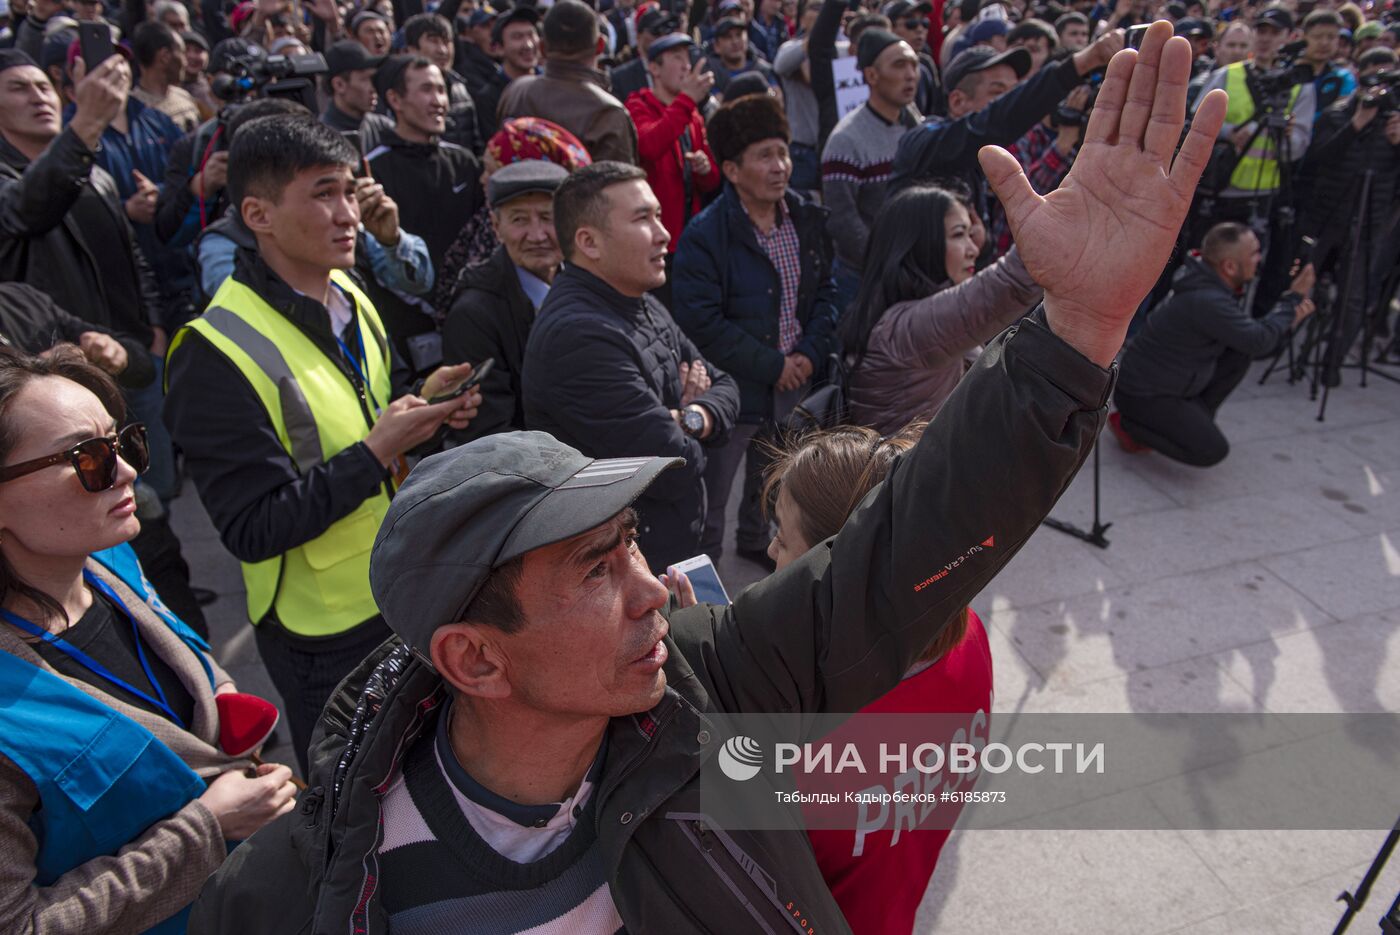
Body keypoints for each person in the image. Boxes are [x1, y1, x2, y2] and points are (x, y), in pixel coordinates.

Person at [188, 25, 1231, 933]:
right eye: (598, 569)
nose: (661, 589)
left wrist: (1078, 330)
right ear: (474, 656)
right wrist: (692, 409)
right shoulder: (300, 889)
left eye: (631, 543)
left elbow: (899, 545)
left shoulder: (701, 681)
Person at [164, 116, 484, 773]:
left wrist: (423, 407)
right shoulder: (213, 348)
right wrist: (375, 451)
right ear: (258, 213)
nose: (348, 214)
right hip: (323, 635)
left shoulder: (350, 293)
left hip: (399, 585)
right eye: (322, 193)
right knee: (349, 804)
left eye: (348, 190)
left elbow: (360, 418)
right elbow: (253, 527)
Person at [0, 347, 298, 935]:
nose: (128, 470)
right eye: (88, 458)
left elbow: (182, 669)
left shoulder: (109, 556)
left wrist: (221, 709)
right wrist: (206, 830)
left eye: (123, 442)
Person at [758, 421, 993, 935]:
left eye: (782, 538)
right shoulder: (968, 633)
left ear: (840, 575)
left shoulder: (803, 737)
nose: (771, 555)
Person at [522, 161, 741, 572]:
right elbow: (674, 466)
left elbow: (727, 385)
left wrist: (688, 415)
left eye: (658, 215)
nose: (663, 233)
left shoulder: (637, 298)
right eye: (643, 218)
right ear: (589, 241)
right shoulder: (579, 337)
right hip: (625, 569)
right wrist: (695, 423)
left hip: (669, 549)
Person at [671, 93, 839, 566]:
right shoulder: (705, 236)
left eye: (783, 152)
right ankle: (701, 584)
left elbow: (827, 291)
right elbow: (701, 321)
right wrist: (773, 365)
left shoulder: (805, 218)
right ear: (731, 169)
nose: (780, 165)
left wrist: (807, 352)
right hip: (735, 389)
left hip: (792, 383)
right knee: (712, 496)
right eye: (764, 156)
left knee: (772, 482)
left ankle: (753, 541)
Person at [1111, 222, 1316, 465]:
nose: (1259, 259)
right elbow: (1260, 340)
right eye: (1254, 253)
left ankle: (1189, 419)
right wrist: (1291, 301)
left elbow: (1251, 338)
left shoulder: (1203, 279)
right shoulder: (1207, 300)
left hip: (1168, 383)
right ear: (1229, 266)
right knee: (1211, 451)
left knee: (1241, 351)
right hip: (1143, 396)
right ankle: (1128, 425)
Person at [844, 183, 1042, 433]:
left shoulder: (900, 315)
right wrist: (1046, 233)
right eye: (959, 235)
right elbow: (1006, 286)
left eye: (971, 235)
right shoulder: (904, 328)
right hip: (912, 470)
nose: (973, 250)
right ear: (922, 243)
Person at [890, 28, 1124, 227]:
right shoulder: (923, 142)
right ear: (958, 101)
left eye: (1015, 91)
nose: (1009, 101)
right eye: (999, 93)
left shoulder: (987, 157)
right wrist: (1083, 62)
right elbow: (995, 121)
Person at [367, 54, 483, 371]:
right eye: (426, 90)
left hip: (468, 317)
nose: (438, 101)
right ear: (395, 99)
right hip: (403, 325)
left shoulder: (463, 163)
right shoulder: (374, 169)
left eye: (442, 90)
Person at [442, 159, 568, 443]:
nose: (537, 236)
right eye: (519, 220)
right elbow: (488, 434)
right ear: (496, 228)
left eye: (548, 218)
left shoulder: (588, 284)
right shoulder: (473, 315)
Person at [820, 28, 921, 313]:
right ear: (871, 76)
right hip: (864, 281)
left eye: (914, 64)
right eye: (899, 65)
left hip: (912, 277)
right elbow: (842, 220)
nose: (911, 74)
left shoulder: (917, 126)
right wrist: (886, 264)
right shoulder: (846, 140)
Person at [626, 33, 720, 281]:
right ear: (654, 68)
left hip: (691, 238)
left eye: (687, 58)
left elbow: (711, 181)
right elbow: (648, 147)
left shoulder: (692, 115)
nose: (686, 66)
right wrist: (686, 100)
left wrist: (704, 168)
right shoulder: (638, 105)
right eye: (676, 58)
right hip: (655, 242)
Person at [498, 0, 638, 163]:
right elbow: (619, 186)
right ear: (600, 46)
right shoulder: (608, 114)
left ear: (542, 48)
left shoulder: (515, 92)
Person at [404, 12, 484, 155]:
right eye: (433, 41)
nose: (443, 50)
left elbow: (475, 142)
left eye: (447, 41)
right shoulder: (401, 91)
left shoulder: (461, 89)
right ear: (412, 49)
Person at [318, 39, 393, 149]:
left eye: (374, 79)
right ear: (339, 85)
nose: (374, 88)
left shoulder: (383, 127)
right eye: (365, 79)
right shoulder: (322, 137)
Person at [131, 21, 201, 132]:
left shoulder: (184, 96)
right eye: (182, 52)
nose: (185, 62)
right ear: (165, 56)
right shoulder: (132, 109)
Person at [610, 4, 678, 101]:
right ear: (639, 37)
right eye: (655, 31)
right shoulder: (620, 78)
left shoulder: (679, 73)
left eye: (666, 32)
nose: (661, 37)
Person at [707, 12, 777, 98]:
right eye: (728, 37)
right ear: (716, 46)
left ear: (747, 40)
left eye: (739, 35)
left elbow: (775, 95)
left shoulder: (763, 70)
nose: (735, 41)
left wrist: (770, 94)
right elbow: (717, 102)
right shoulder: (711, 76)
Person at [1299, 9, 1357, 111]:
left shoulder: (1343, 78)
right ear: (1304, 38)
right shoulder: (1287, 72)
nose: (1324, 43)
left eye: (1331, 37)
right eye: (1317, 37)